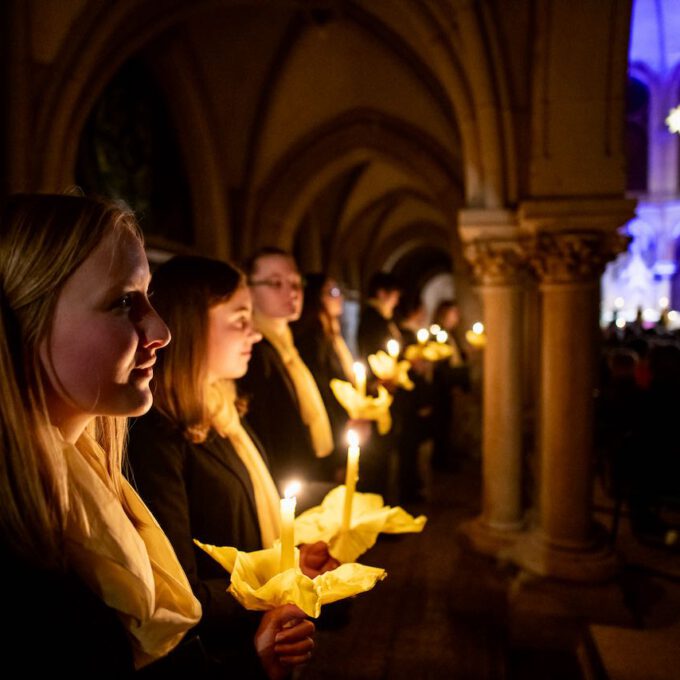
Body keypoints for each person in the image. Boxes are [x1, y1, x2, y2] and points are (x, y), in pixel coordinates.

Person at [0, 194, 201, 676]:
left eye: (149, 298)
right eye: (124, 301)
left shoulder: (92, 481)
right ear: (25, 322)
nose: (160, 330)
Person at [127, 255, 326, 678]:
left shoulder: (225, 413)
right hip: (220, 659)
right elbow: (181, 591)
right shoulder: (157, 439)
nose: (253, 333)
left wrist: (292, 558)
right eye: (239, 320)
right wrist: (273, 582)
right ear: (191, 326)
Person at [239, 248, 334, 488]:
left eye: (295, 281)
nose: (292, 291)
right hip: (287, 478)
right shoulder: (253, 352)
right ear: (249, 290)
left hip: (308, 468)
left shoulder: (287, 342)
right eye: (275, 283)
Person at [292, 273, 355, 479]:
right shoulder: (313, 336)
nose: (340, 297)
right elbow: (324, 388)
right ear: (316, 297)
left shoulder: (329, 332)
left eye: (339, 291)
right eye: (332, 292)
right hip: (332, 428)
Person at [357, 271, 402, 360]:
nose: (396, 302)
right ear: (381, 294)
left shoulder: (383, 317)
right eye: (395, 296)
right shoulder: (372, 321)